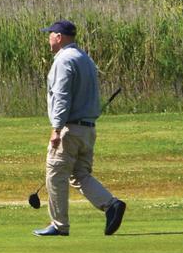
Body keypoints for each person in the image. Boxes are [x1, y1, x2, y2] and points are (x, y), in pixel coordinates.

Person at [37, 19, 126, 238]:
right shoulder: (84, 58)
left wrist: (56, 129)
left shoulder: (64, 60)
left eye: (50, 34)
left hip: (69, 129)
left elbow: (62, 96)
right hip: (88, 129)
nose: (48, 38)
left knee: (56, 175)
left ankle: (59, 225)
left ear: (59, 37)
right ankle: (111, 204)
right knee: (80, 174)